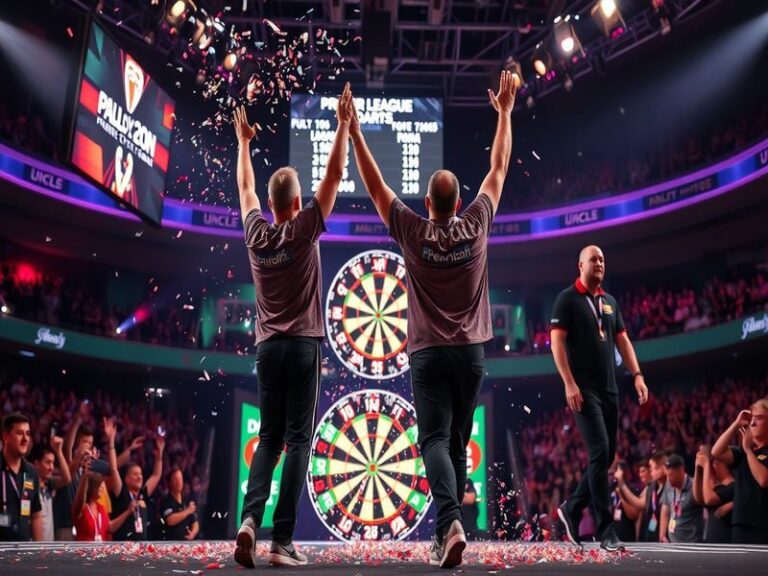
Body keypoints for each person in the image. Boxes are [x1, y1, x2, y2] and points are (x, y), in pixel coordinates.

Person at [346, 70, 516, 568]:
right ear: (459, 202)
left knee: (434, 441)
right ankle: (448, 531)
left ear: (427, 203)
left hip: (427, 354)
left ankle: (450, 522)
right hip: (472, 354)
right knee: (457, 442)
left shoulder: (412, 231)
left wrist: (355, 132)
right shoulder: (477, 223)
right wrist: (504, 113)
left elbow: (375, 186)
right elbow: (500, 167)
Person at [233, 83, 353, 569]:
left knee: (268, 439)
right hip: (304, 346)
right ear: (299, 200)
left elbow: (244, 189)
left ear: (269, 200)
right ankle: (282, 541)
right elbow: (336, 172)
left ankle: (247, 521)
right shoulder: (305, 228)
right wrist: (343, 124)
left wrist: (243, 143)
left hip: (267, 348)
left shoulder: (257, 233)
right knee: (298, 439)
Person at [551, 245, 649, 552]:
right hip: (584, 389)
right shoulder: (567, 299)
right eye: (594, 259)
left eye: (603, 259)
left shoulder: (610, 303)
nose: (600, 263)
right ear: (580, 265)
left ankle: (572, 507)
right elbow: (556, 344)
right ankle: (605, 528)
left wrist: (637, 375)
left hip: (610, 390)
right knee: (599, 452)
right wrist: (569, 383)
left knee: (605, 457)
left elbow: (623, 341)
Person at [711, 396, 768, 543]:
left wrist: (749, 451)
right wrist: (736, 424)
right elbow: (716, 452)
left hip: (762, 525)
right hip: (739, 523)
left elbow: (763, 480)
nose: (753, 423)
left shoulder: (747, 451)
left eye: (759, 418)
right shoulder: (742, 452)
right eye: (752, 418)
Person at [105, 418, 165, 541]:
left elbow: (156, 475)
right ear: (126, 479)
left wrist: (159, 455)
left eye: (141, 474)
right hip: (121, 549)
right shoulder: (121, 492)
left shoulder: (142, 494)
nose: (140, 477)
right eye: (135, 474)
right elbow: (113, 469)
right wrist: (111, 442)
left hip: (140, 550)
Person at [0, 413, 42, 541]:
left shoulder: (31, 472)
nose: (25, 439)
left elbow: (36, 516)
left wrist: (39, 552)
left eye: (28, 433)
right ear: (6, 436)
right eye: (19, 433)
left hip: (23, 551)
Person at [71, 471, 135, 541]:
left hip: (98, 550)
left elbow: (111, 526)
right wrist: (85, 481)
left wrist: (128, 511)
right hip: (84, 550)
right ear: (90, 488)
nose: (102, 489)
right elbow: (80, 500)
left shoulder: (100, 508)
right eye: (99, 486)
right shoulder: (82, 508)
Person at [29, 435, 71, 541]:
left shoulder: (49, 483)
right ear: (37, 464)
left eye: (53, 463)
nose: (51, 467)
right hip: (33, 544)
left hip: (49, 543)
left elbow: (67, 479)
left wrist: (59, 451)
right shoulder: (28, 485)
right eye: (47, 462)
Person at [658, 454, 703, 543]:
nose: (668, 479)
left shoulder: (694, 486)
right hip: (672, 543)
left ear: (681, 470)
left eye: (671, 475)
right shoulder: (669, 485)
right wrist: (662, 535)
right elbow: (665, 512)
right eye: (667, 475)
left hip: (691, 543)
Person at [693, 444, 733, 543]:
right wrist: (698, 469)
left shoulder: (733, 486)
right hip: (712, 541)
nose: (713, 467)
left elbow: (708, 499)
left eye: (715, 463)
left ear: (724, 465)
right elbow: (698, 498)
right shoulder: (718, 488)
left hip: (725, 544)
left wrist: (706, 465)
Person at [160, 468, 199, 540]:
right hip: (171, 544)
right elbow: (170, 520)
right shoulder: (166, 501)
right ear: (170, 482)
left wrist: (193, 533)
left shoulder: (187, 501)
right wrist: (187, 511)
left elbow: (195, 521)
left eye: (180, 478)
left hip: (187, 545)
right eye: (175, 479)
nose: (179, 482)